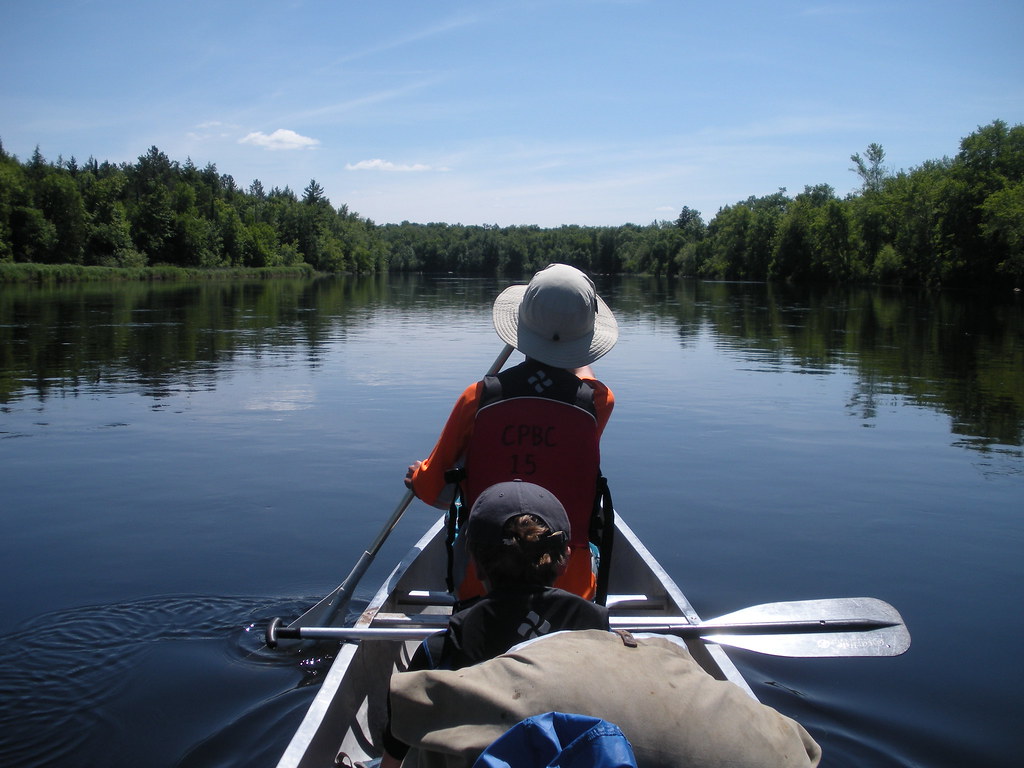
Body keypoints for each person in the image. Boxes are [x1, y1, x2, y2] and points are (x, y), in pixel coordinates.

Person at [405, 263, 618, 599]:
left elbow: (434, 493)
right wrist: (565, 343)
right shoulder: (597, 402)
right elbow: (581, 380)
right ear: (586, 340)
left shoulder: (478, 398)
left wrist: (420, 476)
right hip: (569, 586)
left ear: (520, 327)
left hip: (483, 585)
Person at [380, 480, 611, 767]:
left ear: (474, 563)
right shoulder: (600, 632)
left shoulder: (442, 650)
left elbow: (394, 755)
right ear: (563, 560)